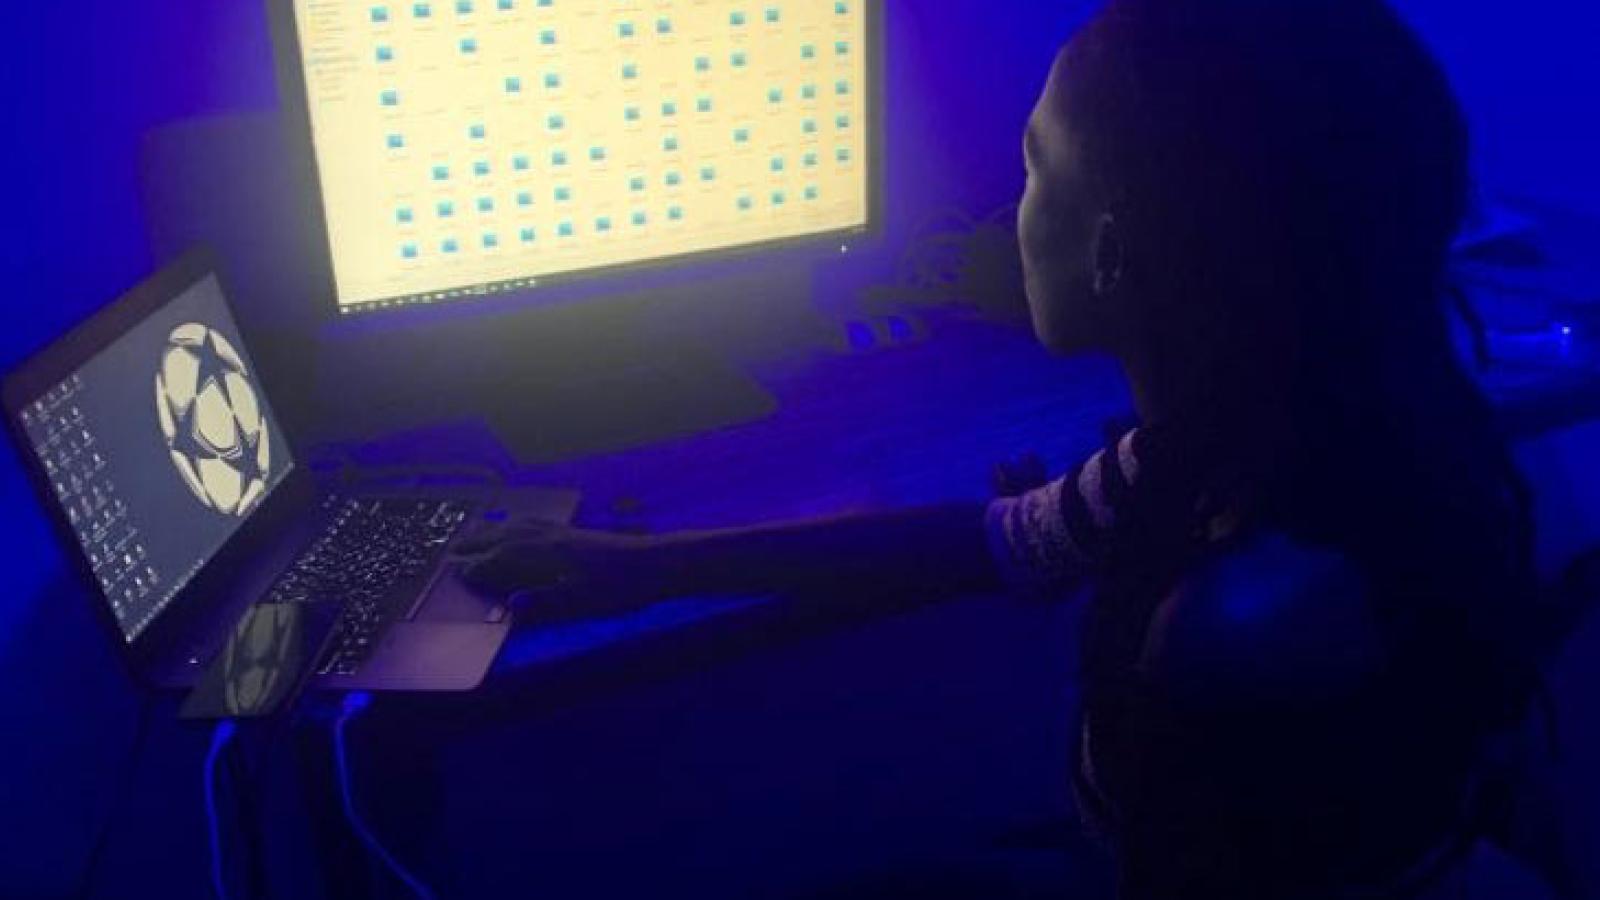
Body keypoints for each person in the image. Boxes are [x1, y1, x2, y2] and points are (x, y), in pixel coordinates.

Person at [458, 0, 1561, 895]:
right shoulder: (1291, 425)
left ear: (1114, 252)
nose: (1003, 212)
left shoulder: (1239, 619)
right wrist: (649, 564)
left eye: (1033, 169)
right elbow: (1003, 537)